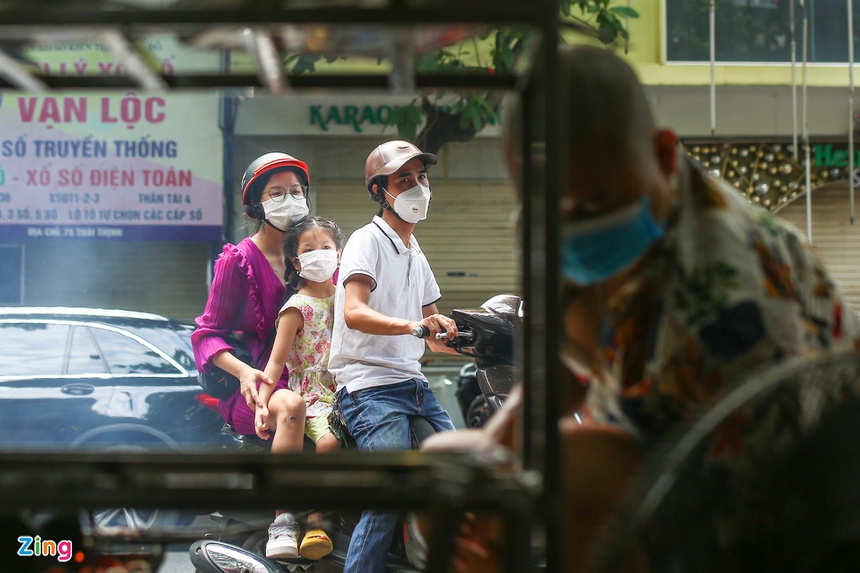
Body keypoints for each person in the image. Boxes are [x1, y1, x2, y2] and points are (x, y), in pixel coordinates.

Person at [425, 43, 860, 573]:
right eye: (551, 208)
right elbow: (557, 376)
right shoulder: (548, 226)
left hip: (776, 512)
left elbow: (695, 489)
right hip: (662, 461)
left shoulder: (723, 305)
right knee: (445, 476)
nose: (576, 227)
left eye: (595, 205)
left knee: (585, 471)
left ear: (662, 155)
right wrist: (493, 450)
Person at [328, 139, 461, 573]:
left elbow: (431, 331)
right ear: (379, 191)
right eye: (404, 180)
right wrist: (413, 327)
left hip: (414, 388)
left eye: (421, 178)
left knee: (465, 478)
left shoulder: (415, 252)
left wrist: (458, 336)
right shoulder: (367, 241)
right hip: (370, 389)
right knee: (391, 493)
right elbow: (354, 311)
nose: (417, 187)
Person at [191, 151, 311, 560]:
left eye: (296, 191)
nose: (289, 199)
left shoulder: (317, 254)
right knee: (291, 406)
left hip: (315, 377)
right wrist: (245, 374)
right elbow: (207, 335)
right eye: (277, 193)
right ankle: (283, 521)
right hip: (261, 388)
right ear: (256, 205)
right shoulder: (237, 261)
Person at [255, 215, 343, 560]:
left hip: (345, 392)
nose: (320, 254)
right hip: (309, 395)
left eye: (326, 247)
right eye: (310, 249)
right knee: (329, 440)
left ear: (340, 254)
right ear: (296, 261)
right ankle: (300, 520)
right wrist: (262, 404)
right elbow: (275, 364)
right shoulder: (296, 308)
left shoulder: (350, 300)